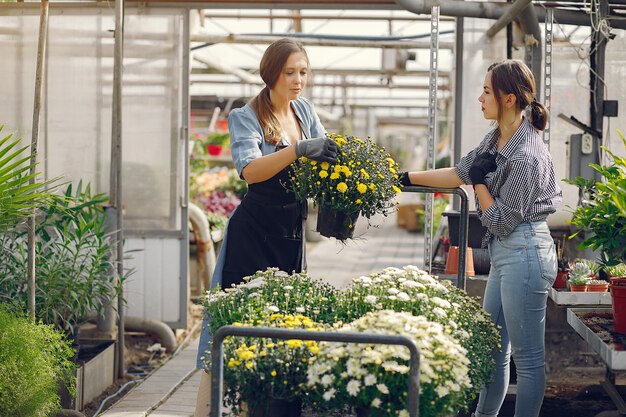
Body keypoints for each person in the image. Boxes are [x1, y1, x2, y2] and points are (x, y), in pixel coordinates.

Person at [400, 59, 562, 417]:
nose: (480, 98)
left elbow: (500, 220)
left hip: (526, 252)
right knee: (493, 349)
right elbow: (459, 171)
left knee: (528, 359)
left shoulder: (527, 156)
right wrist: (406, 178)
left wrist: (478, 182)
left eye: (487, 91)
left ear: (508, 99)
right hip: (507, 253)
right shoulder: (496, 138)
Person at [193, 38, 337, 417]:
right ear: (271, 73)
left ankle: (259, 405)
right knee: (234, 320)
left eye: (303, 72)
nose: (298, 80)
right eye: (290, 72)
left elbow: (324, 158)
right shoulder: (246, 114)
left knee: (283, 319)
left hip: (290, 232)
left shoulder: (304, 111)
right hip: (253, 233)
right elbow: (251, 171)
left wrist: (348, 177)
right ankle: (208, 409)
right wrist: (298, 150)